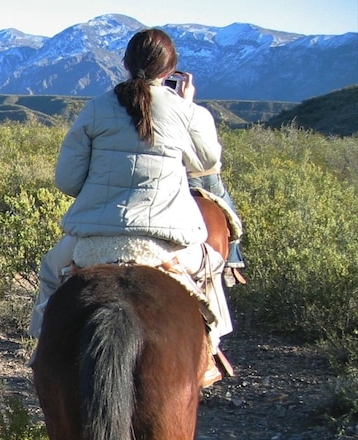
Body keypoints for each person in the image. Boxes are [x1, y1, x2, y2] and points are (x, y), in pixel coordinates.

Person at [28, 28, 233, 384]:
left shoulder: (95, 108)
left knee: (51, 270)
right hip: (167, 241)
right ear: (170, 71)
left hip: (96, 241)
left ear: (124, 64)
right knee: (211, 269)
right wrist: (188, 104)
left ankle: (45, 353)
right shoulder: (187, 112)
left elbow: (67, 180)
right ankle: (210, 353)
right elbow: (208, 162)